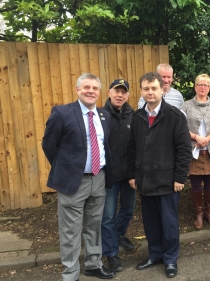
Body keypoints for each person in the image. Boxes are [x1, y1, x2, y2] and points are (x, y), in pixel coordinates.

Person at [42, 73, 116, 280]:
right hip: (73, 181)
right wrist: (65, 168)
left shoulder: (104, 116)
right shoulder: (62, 113)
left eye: (95, 88)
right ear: (77, 90)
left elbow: (104, 146)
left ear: (99, 92)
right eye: (86, 87)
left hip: (98, 178)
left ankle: (93, 264)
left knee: (94, 225)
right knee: (70, 230)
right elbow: (49, 145)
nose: (91, 91)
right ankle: (71, 272)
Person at [127, 72, 191, 278]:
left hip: (168, 181)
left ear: (162, 89)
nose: (150, 92)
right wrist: (132, 175)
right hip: (145, 181)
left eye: (154, 88)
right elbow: (132, 148)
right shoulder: (137, 117)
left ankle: (170, 258)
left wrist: (180, 178)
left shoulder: (175, 116)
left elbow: (184, 150)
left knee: (169, 222)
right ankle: (154, 254)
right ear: (141, 91)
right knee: (151, 221)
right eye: (146, 89)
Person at [181, 74, 210, 230]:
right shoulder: (185, 106)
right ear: (195, 86)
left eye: (206, 85)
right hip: (193, 150)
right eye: (200, 84)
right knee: (195, 183)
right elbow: (181, 128)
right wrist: (196, 138)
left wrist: (207, 139)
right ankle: (198, 214)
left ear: (209, 88)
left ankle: (209, 213)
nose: (203, 87)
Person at [101, 79, 135, 272]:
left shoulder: (133, 116)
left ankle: (119, 234)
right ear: (109, 92)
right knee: (108, 216)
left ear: (128, 95)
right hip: (109, 176)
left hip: (129, 175)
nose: (120, 95)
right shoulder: (100, 115)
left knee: (128, 210)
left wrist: (135, 173)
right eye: (117, 91)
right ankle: (111, 253)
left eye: (124, 92)